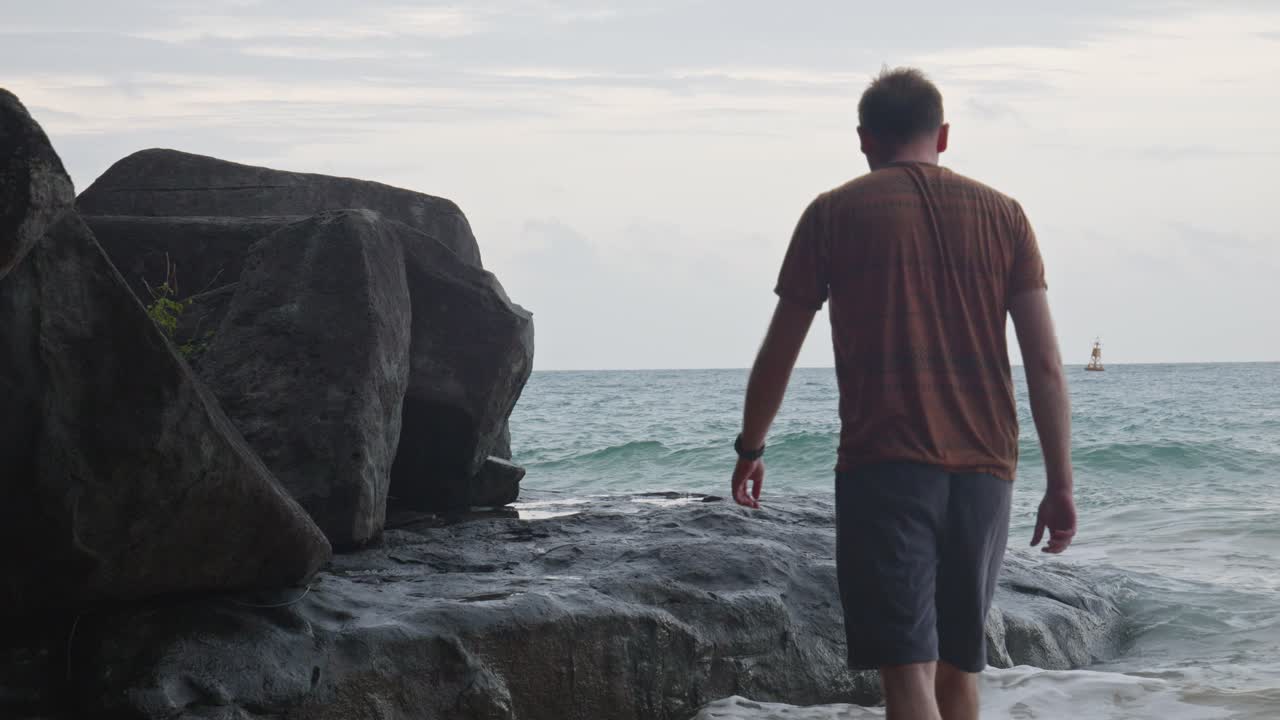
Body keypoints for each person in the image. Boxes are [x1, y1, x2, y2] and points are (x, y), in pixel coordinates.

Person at [729, 67, 1077, 720]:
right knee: (957, 667)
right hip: (985, 471)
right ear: (942, 135)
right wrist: (1060, 481)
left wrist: (751, 445)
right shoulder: (1006, 217)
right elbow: (1046, 366)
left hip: (884, 467)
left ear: (864, 139)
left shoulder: (832, 213)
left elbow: (780, 349)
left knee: (906, 674)